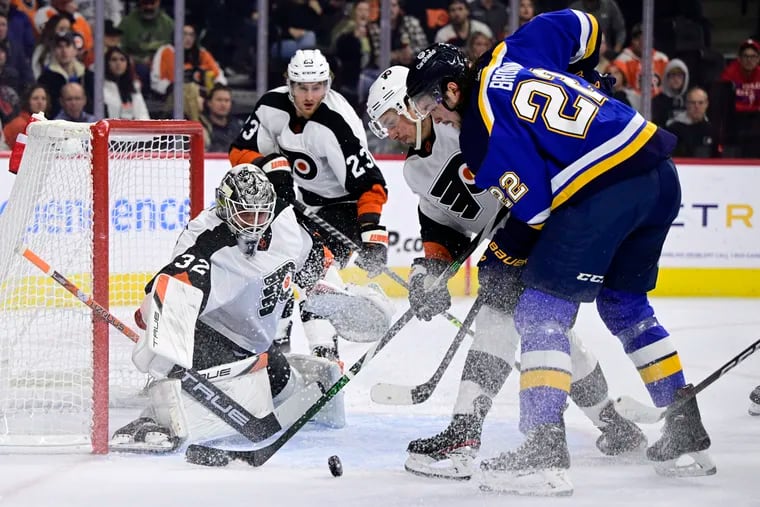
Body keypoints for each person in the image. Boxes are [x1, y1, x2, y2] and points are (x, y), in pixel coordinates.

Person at [405, 9, 715, 496]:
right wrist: (585, 76)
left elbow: (532, 209)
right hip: (656, 168)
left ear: (448, 89)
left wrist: (500, 259)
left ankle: (542, 451)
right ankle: (686, 433)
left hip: (602, 185)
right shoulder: (512, 50)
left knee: (540, 311)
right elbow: (584, 23)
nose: (431, 116)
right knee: (625, 304)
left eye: (428, 102)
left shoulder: (477, 132)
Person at [366, 65, 645, 481]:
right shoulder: (414, 171)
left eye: (392, 120)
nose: (392, 133)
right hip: (510, 239)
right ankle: (613, 424)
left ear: (414, 105)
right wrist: (431, 272)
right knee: (550, 332)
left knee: (498, 317)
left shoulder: (459, 123)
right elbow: (443, 225)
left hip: (538, 223)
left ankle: (464, 434)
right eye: (384, 127)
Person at [110, 159, 394, 452]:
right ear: (225, 207)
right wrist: (157, 324)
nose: (256, 224)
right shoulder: (205, 242)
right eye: (247, 215)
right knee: (192, 387)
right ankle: (153, 418)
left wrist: (336, 295)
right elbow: (168, 290)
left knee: (289, 392)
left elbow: (312, 263)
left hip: (257, 346)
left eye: (262, 215)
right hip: (211, 339)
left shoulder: (283, 219)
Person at [229, 49, 389, 363]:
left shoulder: (338, 123)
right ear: (288, 83)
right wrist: (270, 164)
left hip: (345, 208)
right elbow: (240, 151)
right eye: (302, 87)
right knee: (277, 262)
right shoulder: (270, 106)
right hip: (303, 205)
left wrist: (371, 231)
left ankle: (326, 355)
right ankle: (277, 340)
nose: (309, 95)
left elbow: (371, 184)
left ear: (328, 84)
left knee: (310, 266)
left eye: (317, 87)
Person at [666, 86, 716, 158]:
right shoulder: (673, 130)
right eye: (693, 103)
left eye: (700, 103)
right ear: (686, 104)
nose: (696, 106)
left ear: (707, 104)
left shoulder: (711, 130)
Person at [103, 46, 149, 120]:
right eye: (114, 60)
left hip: (132, 129)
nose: (118, 63)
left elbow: (143, 114)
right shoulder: (100, 87)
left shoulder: (134, 86)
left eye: (122, 59)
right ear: (107, 63)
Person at [3, 83, 48, 149]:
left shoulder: (43, 123)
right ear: (27, 101)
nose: (40, 102)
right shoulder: (20, 124)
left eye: (43, 98)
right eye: (35, 98)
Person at [200, 83, 243, 152]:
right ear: (209, 103)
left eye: (227, 100)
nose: (223, 104)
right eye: (219, 100)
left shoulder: (239, 126)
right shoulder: (202, 127)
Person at [651, 59, 689, 128]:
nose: (676, 79)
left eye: (679, 76)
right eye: (673, 75)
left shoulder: (690, 99)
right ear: (666, 77)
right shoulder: (657, 101)